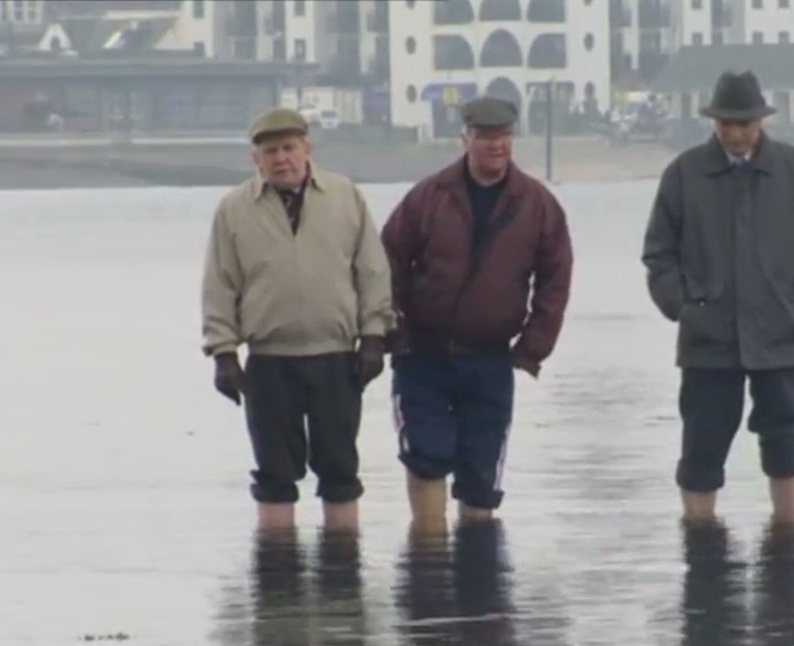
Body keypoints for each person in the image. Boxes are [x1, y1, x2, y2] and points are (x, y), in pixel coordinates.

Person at [641, 71, 794, 525]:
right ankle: (699, 550)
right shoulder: (684, 174)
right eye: (726, 124)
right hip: (706, 340)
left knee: (785, 440)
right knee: (702, 444)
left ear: (761, 121)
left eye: (744, 123)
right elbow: (659, 253)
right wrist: (681, 308)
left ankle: (790, 544)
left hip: (780, 334)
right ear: (713, 122)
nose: (735, 133)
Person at [381, 96, 574, 533]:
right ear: (465, 137)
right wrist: (394, 332)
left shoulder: (536, 204)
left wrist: (532, 348)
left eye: (503, 136)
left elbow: (555, 279)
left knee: (480, 476)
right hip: (422, 355)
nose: (496, 145)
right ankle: (428, 565)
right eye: (485, 136)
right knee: (427, 457)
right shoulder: (428, 196)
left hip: (491, 357)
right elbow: (386, 260)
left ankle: (479, 583)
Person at [200, 107, 394, 532]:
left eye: (289, 148)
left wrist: (375, 337)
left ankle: (344, 579)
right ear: (256, 158)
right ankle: (277, 582)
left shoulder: (346, 197)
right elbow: (219, 284)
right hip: (269, 362)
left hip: (337, 358)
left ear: (307, 149)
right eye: (270, 151)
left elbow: (372, 270)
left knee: (340, 471)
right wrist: (223, 353)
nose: (281, 159)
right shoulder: (233, 210)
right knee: (274, 476)